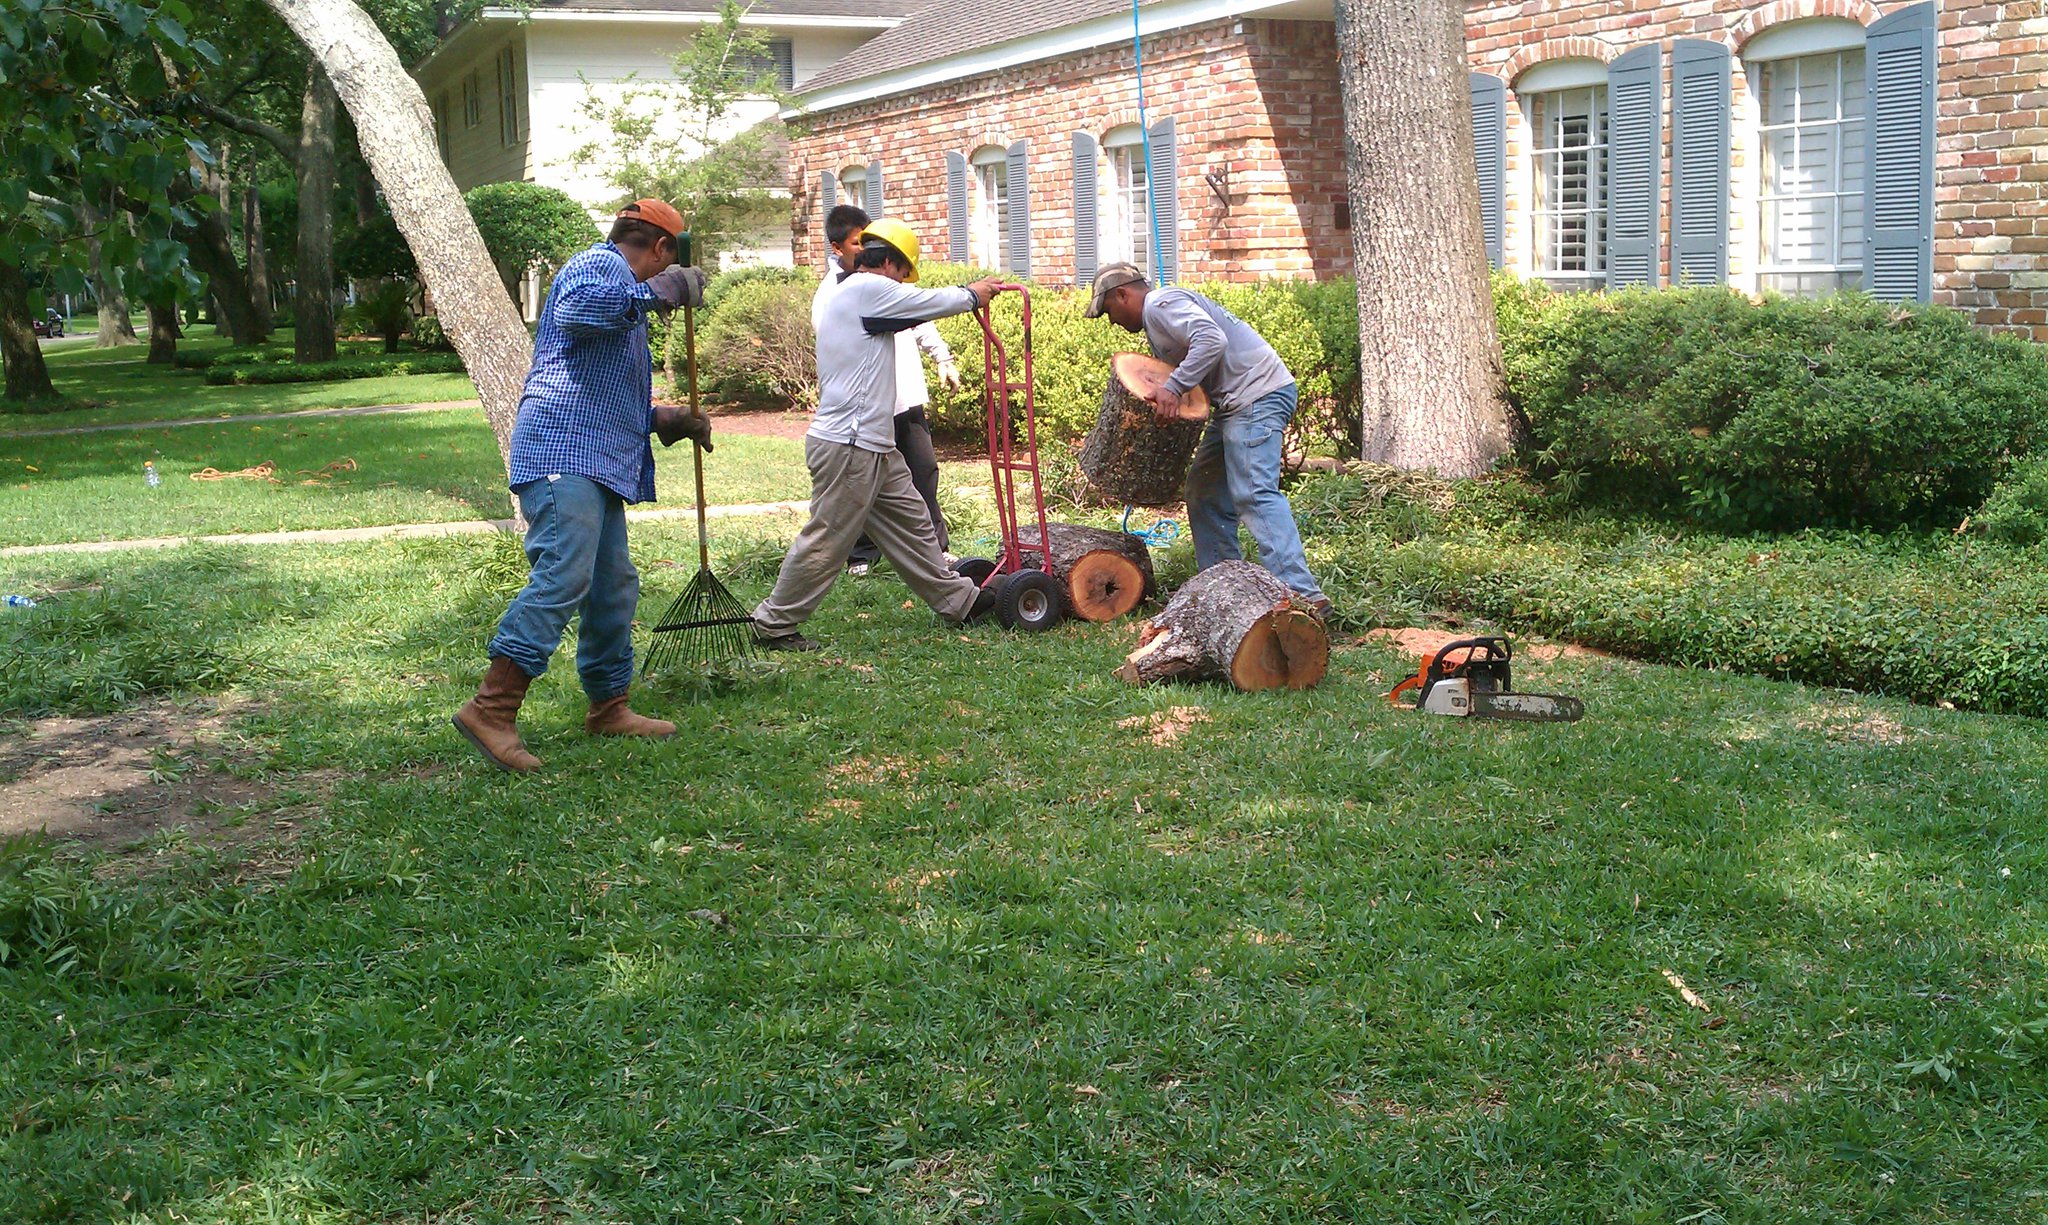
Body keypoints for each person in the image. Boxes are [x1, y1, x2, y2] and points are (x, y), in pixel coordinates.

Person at [452, 199, 712, 773]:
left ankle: (608, 704)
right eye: (663, 264)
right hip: (560, 454)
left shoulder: (621, 290)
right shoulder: (598, 269)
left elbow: (595, 384)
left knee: (613, 583)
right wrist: (663, 290)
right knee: (565, 574)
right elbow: (582, 314)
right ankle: (491, 709)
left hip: (592, 456)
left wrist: (663, 419)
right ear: (661, 248)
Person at [752, 219, 1004, 652]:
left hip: (872, 443)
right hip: (849, 443)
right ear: (890, 263)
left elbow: (912, 311)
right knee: (828, 538)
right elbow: (926, 302)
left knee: (912, 523)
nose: (905, 283)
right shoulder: (866, 289)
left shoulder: (858, 295)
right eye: (905, 273)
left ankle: (961, 602)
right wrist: (970, 295)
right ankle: (774, 623)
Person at [1086, 261, 1330, 618]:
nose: (1112, 322)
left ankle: (1304, 595)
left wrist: (1173, 387)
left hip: (1256, 396)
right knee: (1204, 490)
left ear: (1123, 294)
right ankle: (1225, 590)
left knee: (1254, 493)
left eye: (1109, 311)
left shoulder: (1161, 304)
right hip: (1234, 405)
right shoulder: (1158, 319)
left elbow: (1212, 339)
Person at [812, 204, 962, 576]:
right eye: (855, 242)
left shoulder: (886, 289)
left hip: (903, 398)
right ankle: (861, 555)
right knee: (857, 491)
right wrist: (972, 294)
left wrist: (942, 356)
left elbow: (917, 312)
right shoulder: (839, 294)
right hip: (860, 419)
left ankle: (935, 557)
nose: (861, 247)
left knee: (921, 474)